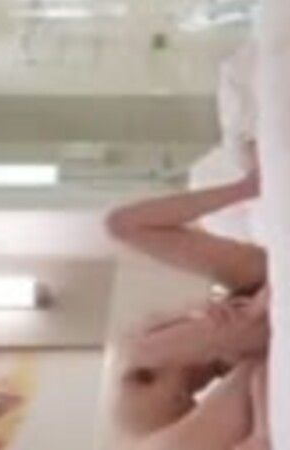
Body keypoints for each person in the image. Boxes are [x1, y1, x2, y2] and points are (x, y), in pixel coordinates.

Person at [104, 169, 271, 450]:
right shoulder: (145, 361)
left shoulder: (141, 353)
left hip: (244, 307)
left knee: (119, 225)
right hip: (240, 327)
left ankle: (249, 186)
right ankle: (248, 187)